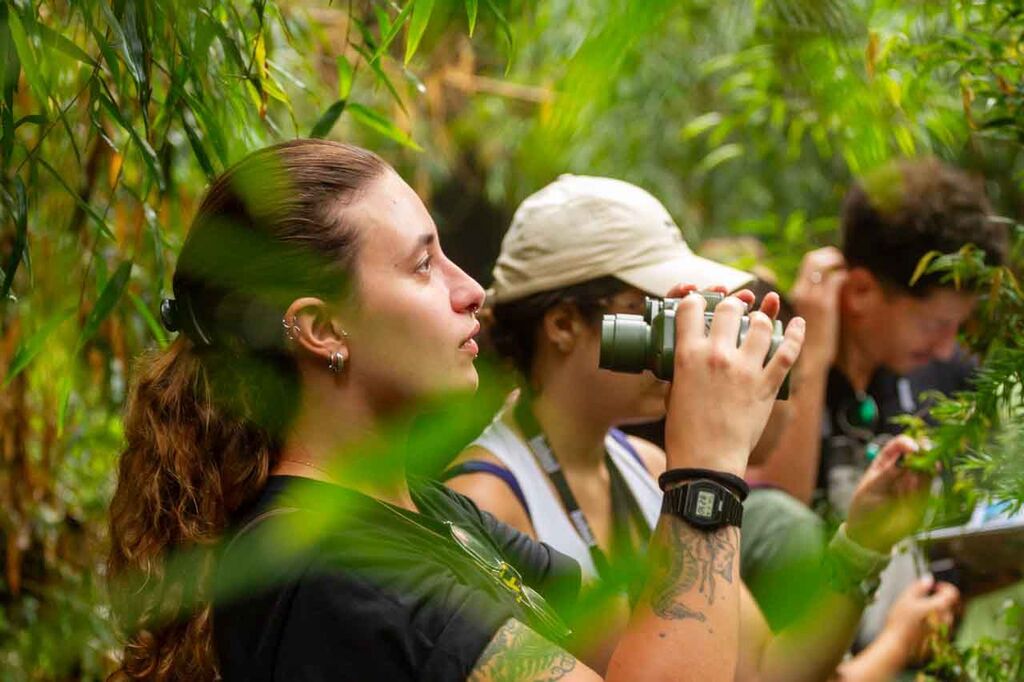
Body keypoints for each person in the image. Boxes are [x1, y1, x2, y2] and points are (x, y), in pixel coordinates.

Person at [106, 140, 804, 681]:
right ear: (322, 330)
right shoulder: (332, 572)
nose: (470, 289)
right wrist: (707, 475)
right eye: (422, 266)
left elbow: (639, 644)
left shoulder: (431, 514)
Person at [444, 174, 938, 681]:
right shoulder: (485, 501)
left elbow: (767, 671)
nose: (685, 339)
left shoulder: (648, 465)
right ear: (565, 324)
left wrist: (862, 546)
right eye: (661, 314)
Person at [745, 158, 1009, 513]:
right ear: (861, 293)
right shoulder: (764, 360)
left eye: (958, 327)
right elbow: (776, 521)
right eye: (934, 326)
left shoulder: (944, 377)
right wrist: (810, 357)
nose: (947, 349)